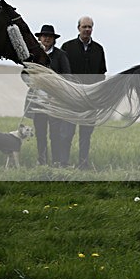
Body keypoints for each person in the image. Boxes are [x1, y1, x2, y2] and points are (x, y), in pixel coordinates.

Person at [60, 16, 107, 169]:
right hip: (71, 98)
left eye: (89, 27)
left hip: (90, 99)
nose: (87, 29)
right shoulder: (67, 47)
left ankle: (83, 164)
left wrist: (99, 95)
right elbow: (62, 74)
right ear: (78, 28)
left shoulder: (99, 49)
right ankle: (64, 163)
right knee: (67, 133)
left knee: (86, 134)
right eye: (84, 27)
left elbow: (101, 74)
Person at [25, 24, 72, 165]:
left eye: (50, 37)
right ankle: (42, 161)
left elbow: (67, 76)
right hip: (38, 102)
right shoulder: (32, 55)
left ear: (53, 39)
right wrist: (33, 82)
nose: (47, 39)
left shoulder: (60, 55)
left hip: (55, 102)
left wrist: (56, 89)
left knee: (55, 134)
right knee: (40, 134)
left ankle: (56, 162)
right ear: (39, 38)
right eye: (44, 36)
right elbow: (24, 74)